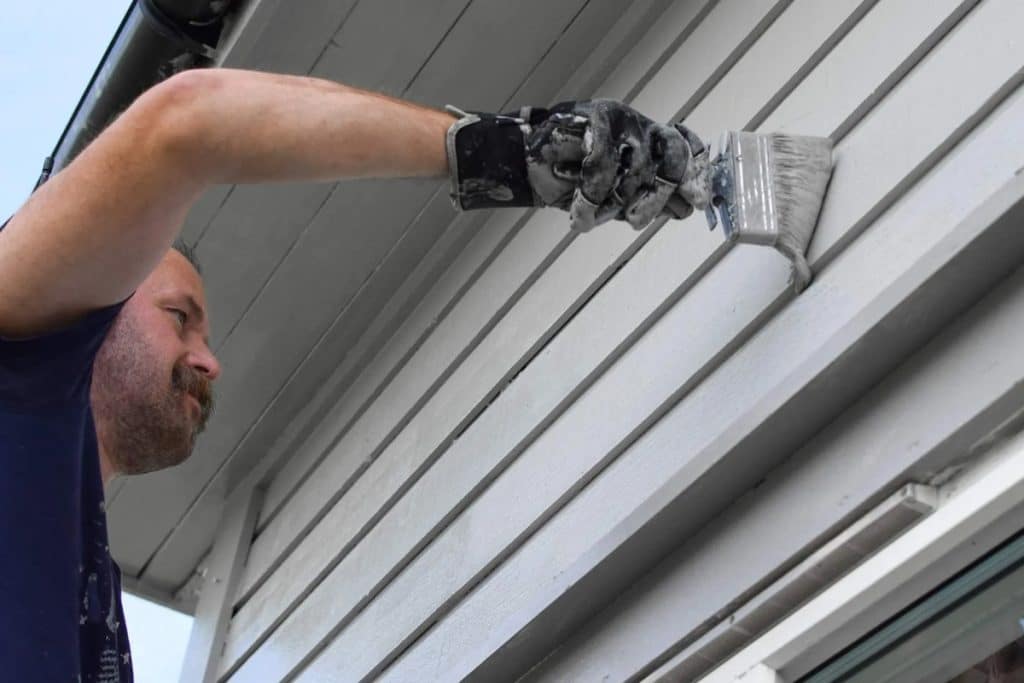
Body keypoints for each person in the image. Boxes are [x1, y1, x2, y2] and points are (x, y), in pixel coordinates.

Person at [0, 67, 707, 681]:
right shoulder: (16, 372)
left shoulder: (81, 587)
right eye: (179, 316)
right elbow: (190, 121)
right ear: (94, 305)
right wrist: (512, 153)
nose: (209, 358)